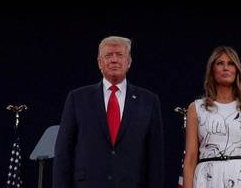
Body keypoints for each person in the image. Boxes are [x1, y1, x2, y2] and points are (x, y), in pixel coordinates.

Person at [55, 36, 167, 188]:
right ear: (100, 63)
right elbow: (63, 154)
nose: (114, 60)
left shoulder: (149, 101)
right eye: (108, 55)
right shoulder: (77, 99)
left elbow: (155, 159)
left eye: (120, 55)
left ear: (129, 62)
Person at [182, 46, 241, 188]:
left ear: (237, 70)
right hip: (207, 178)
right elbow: (190, 158)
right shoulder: (196, 108)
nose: (226, 68)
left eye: (231, 63)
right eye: (220, 63)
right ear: (212, 70)